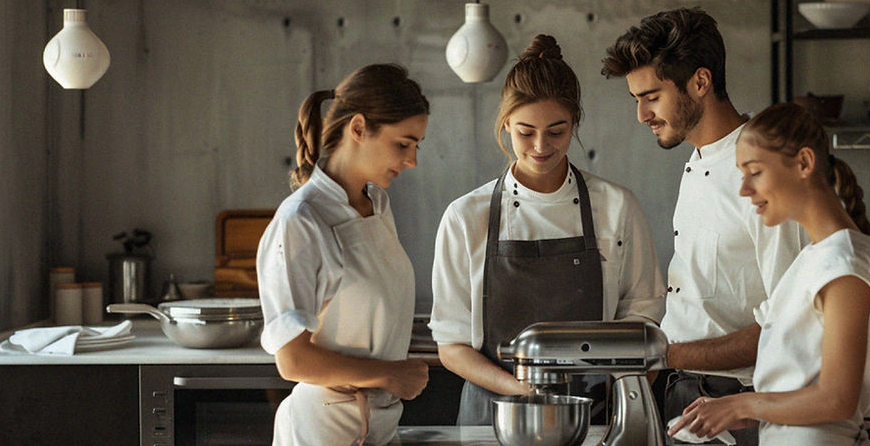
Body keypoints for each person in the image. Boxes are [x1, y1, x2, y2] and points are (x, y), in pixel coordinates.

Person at [601, 7, 870, 445]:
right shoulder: (698, 163)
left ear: (700, 82)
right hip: (692, 398)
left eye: (651, 97)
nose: (642, 115)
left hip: (738, 400)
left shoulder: (772, 187)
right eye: (637, 100)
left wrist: (662, 354)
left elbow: (788, 327)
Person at [429, 34, 666, 425]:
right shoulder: (465, 217)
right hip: (492, 423)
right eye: (525, 132)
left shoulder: (617, 207)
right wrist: (529, 394)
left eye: (556, 131)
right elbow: (452, 346)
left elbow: (642, 323)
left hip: (593, 418)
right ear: (506, 123)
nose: (540, 145)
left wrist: (620, 403)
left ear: (575, 122)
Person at [668, 102, 870, 444]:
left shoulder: (843, 265)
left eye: (754, 172)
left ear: (804, 163)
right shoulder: (817, 259)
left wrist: (741, 405)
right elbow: (805, 381)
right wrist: (737, 410)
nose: (744, 190)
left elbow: (837, 399)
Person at [257, 64, 432, 446]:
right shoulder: (301, 219)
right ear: (357, 129)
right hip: (323, 430)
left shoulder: (379, 206)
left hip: (380, 427)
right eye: (403, 144)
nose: (412, 160)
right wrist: (389, 374)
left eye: (417, 145)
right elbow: (293, 361)